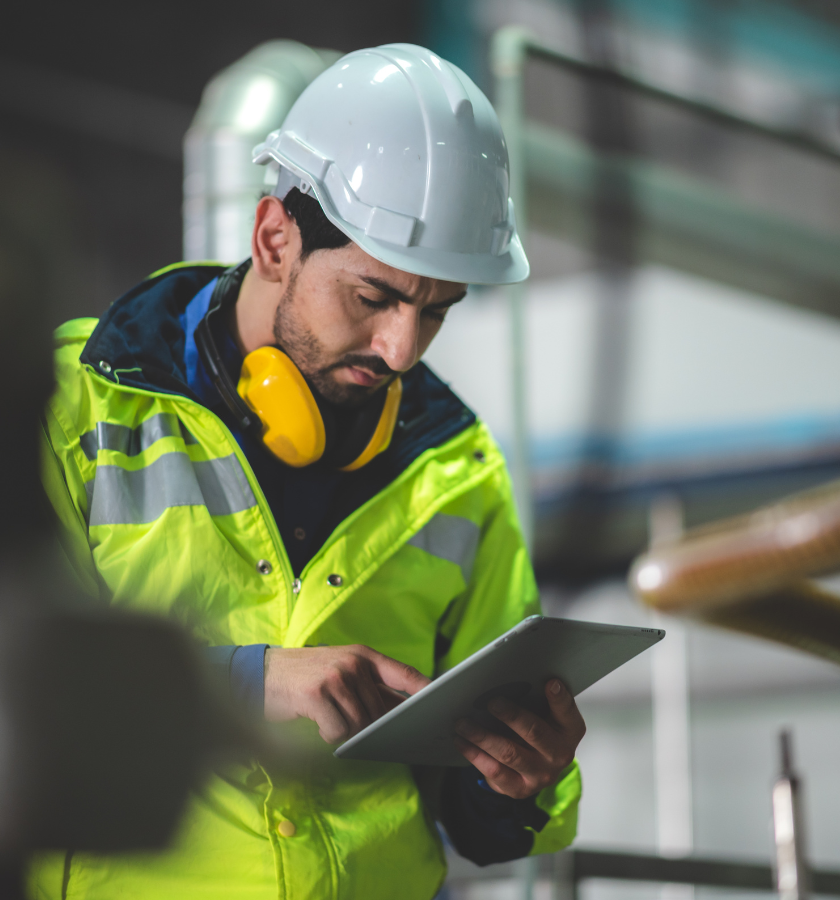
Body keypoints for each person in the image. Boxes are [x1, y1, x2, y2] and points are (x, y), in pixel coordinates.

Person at [31, 43, 584, 900]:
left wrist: (517, 777)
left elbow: (483, 827)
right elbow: (23, 696)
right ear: (274, 237)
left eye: (435, 312)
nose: (402, 349)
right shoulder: (76, 409)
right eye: (373, 298)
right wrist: (247, 684)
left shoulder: (457, 472)